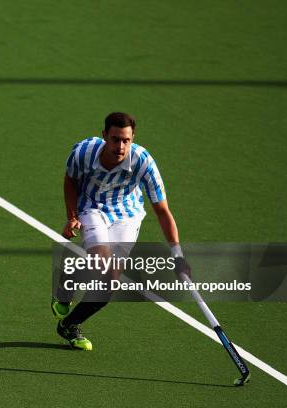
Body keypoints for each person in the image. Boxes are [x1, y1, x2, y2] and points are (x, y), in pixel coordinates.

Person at [52, 112, 190, 351]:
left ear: (133, 137)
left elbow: (163, 211)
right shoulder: (83, 152)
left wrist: (178, 255)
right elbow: (70, 181)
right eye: (115, 139)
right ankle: (68, 278)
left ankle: (70, 325)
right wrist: (71, 217)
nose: (120, 146)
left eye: (126, 140)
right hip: (92, 207)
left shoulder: (144, 162)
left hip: (127, 215)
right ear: (104, 135)